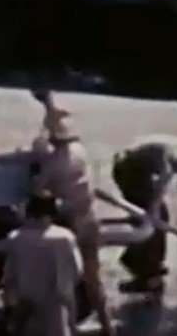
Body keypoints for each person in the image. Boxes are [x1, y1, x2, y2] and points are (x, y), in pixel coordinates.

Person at [32, 109, 114, 336]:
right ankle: (107, 325)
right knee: (93, 278)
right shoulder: (81, 151)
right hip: (90, 218)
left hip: (70, 223)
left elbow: (37, 189)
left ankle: (69, 327)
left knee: (63, 279)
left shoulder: (52, 162)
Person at [110, 124, 177, 292]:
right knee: (152, 220)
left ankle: (151, 263)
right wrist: (153, 212)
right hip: (127, 168)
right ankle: (141, 266)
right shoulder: (172, 156)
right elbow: (159, 187)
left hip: (146, 173)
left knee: (158, 218)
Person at [1, 191, 83, 336]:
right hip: (57, 303)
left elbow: (10, 276)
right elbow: (77, 270)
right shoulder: (65, 238)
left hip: (26, 305)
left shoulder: (15, 238)